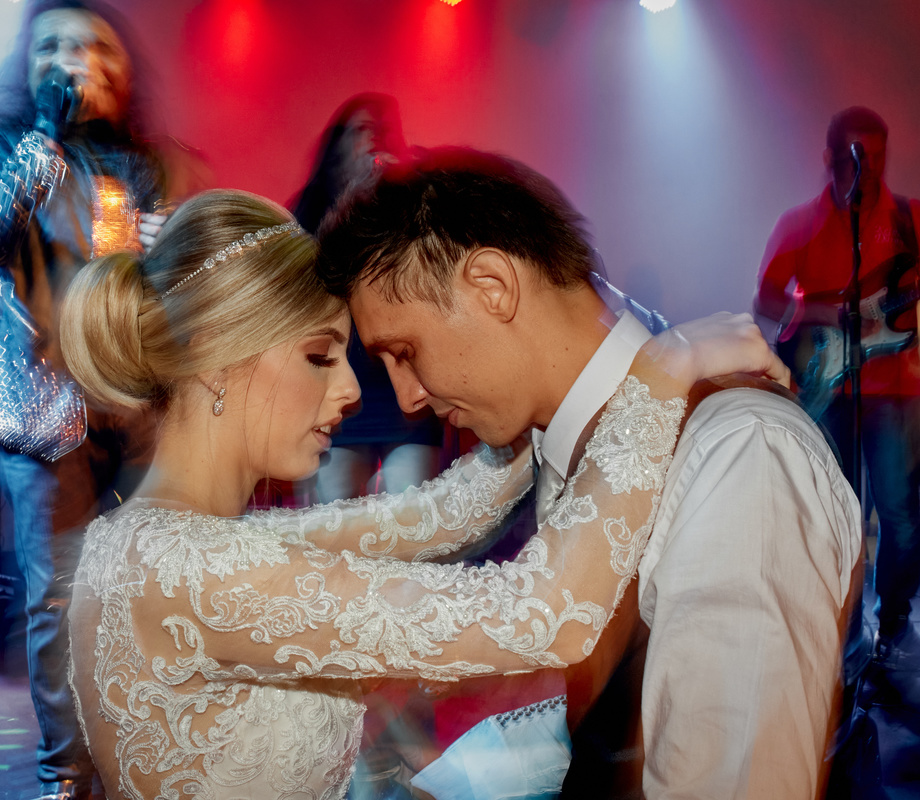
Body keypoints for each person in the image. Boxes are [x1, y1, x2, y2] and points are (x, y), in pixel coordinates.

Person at [57, 187, 788, 799]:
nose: (352, 390)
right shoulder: (183, 568)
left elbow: (445, 515)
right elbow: (544, 617)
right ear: (217, 358)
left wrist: (534, 381)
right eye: (319, 355)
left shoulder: (172, 544)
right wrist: (661, 374)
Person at [316, 148, 862, 797]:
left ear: (492, 287)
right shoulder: (554, 438)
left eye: (405, 352)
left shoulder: (736, 452)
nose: (407, 398)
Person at [0, 2, 195, 797]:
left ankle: (139, 755)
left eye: (92, 46)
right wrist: (43, 142)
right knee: (58, 597)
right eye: (51, 45)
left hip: (134, 402)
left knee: (139, 588)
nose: (71, 59)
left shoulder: (144, 166)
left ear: (123, 74)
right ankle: (67, 775)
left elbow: (161, 289)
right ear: (28, 68)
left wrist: (169, 258)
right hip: (41, 403)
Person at [755, 107, 920, 671]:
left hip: (893, 392)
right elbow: (766, 299)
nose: (868, 169)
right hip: (829, 391)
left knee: (901, 519)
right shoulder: (801, 223)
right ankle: (840, 636)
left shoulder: (909, 221)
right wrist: (830, 313)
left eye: (877, 157)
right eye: (856, 157)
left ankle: (892, 625)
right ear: (830, 158)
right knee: (837, 518)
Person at [291, 93, 443, 503]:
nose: (376, 137)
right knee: (335, 517)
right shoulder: (308, 216)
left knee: (415, 515)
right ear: (338, 146)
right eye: (363, 129)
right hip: (339, 397)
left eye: (385, 129)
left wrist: (406, 194)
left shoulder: (410, 202)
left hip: (405, 396)